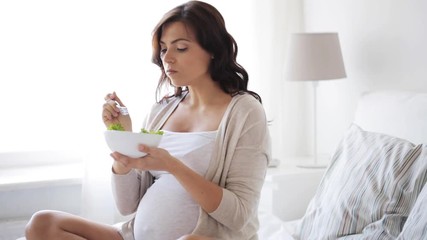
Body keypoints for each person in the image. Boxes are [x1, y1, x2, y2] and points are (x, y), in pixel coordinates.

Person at [25, 1, 271, 239]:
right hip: (133, 235)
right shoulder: (162, 110)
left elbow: (239, 215)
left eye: (181, 48)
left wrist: (173, 165)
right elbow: (127, 205)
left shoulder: (244, 112)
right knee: (43, 223)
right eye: (164, 49)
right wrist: (124, 139)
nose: (168, 58)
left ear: (214, 51)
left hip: (205, 237)